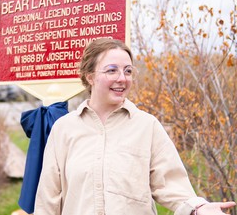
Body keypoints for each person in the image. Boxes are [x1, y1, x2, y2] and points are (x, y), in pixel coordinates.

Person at [34, 38, 236, 215]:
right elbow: (48, 198)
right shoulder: (63, 129)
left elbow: (171, 183)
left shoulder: (147, 127)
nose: (122, 78)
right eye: (112, 70)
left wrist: (198, 207)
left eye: (128, 71)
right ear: (90, 76)